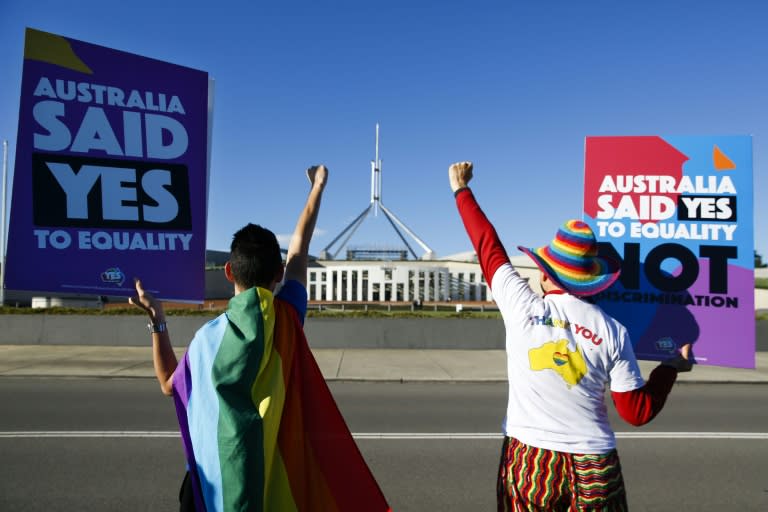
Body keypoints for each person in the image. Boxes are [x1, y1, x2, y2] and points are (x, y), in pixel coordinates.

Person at [130, 165, 390, 512]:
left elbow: (168, 383)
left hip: (210, 490)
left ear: (228, 271)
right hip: (274, 481)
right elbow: (299, 247)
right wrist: (317, 188)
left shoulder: (208, 340)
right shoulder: (287, 318)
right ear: (279, 273)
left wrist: (157, 321)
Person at [447, 161, 693, 511]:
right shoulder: (613, 331)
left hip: (530, 459)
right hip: (594, 465)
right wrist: (670, 367)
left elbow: (488, 246)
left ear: (548, 274)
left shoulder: (521, 306)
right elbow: (636, 412)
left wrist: (461, 189)